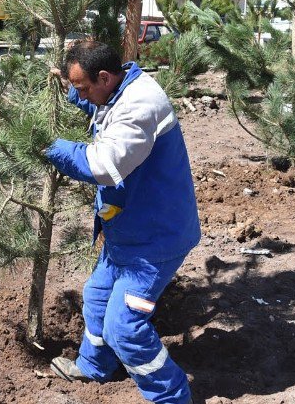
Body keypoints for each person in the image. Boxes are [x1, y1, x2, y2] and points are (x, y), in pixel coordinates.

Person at [44, 40, 200, 404]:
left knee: (124, 328)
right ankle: (95, 367)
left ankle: (172, 397)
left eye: (82, 87)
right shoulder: (117, 86)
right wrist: (71, 90)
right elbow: (99, 103)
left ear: (103, 76)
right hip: (128, 231)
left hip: (155, 241)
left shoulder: (140, 105)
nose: (80, 93)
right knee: (97, 299)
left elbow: (102, 165)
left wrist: (48, 145)